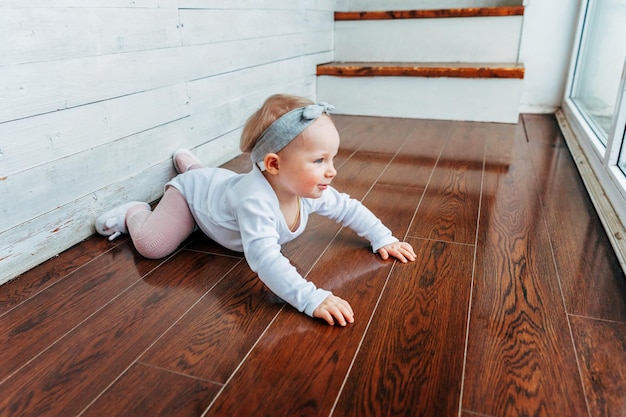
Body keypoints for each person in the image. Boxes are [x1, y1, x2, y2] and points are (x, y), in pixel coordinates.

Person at [95, 94, 416, 326]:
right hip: (192, 199)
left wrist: (382, 237)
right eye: (320, 161)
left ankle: (192, 167)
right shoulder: (255, 202)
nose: (331, 171)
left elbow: (347, 208)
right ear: (274, 165)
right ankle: (135, 211)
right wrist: (310, 297)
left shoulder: (306, 189)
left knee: (214, 184)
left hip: (219, 187)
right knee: (153, 246)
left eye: (331, 159)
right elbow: (264, 258)